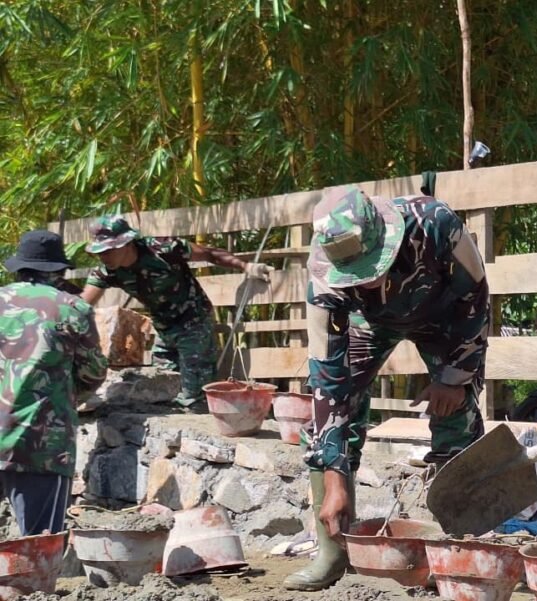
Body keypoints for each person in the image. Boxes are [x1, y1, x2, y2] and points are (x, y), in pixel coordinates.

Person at [286, 185, 489, 591]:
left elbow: (475, 296)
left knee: (458, 415)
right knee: (330, 421)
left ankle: (455, 547)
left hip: (444, 317)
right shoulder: (325, 273)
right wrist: (335, 477)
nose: (366, 279)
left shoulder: (435, 224)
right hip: (369, 323)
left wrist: (453, 377)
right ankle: (332, 550)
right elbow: (328, 376)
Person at [80, 216, 273, 406]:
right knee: (163, 391)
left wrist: (246, 266)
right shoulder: (107, 271)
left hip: (193, 323)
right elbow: (82, 304)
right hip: (163, 329)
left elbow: (209, 253)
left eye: (108, 250)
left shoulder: (163, 249)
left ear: (127, 243)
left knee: (193, 396)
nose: (103, 256)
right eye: (100, 252)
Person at [1, 231, 108, 535]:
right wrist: (72, 394)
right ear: (59, 270)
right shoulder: (73, 309)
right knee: (39, 540)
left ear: (19, 266)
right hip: (42, 444)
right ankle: (33, 584)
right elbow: (93, 372)